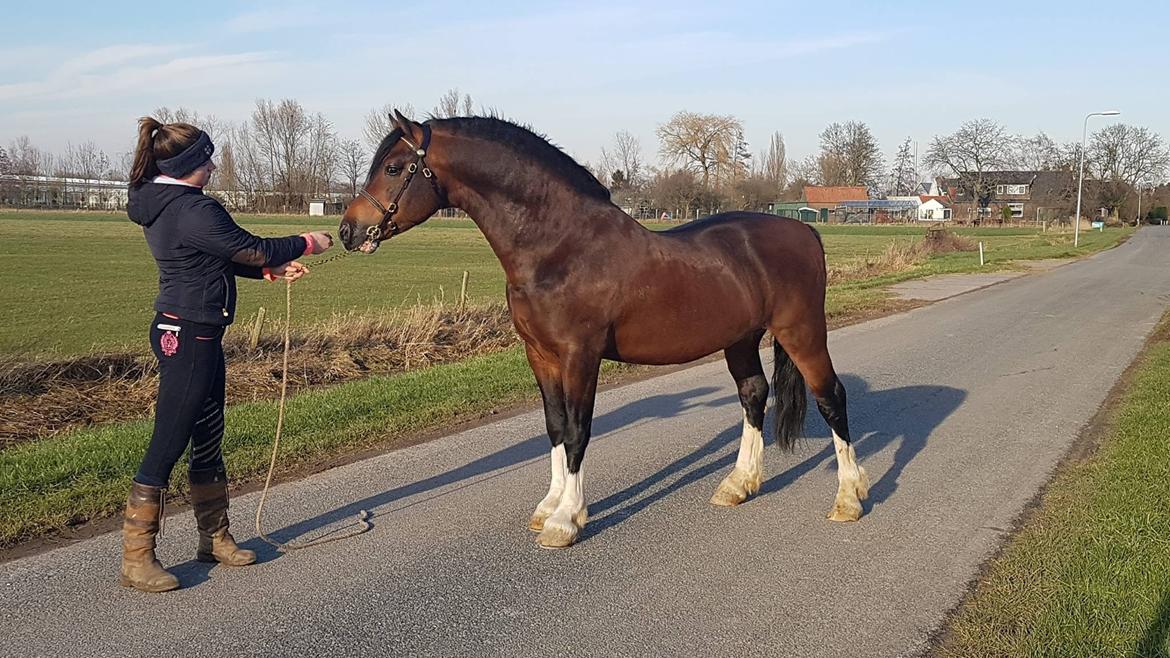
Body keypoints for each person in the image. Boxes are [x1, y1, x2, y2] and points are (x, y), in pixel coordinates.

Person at [121, 117, 333, 592]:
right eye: (207, 159)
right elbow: (247, 247)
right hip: (188, 331)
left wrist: (268, 273)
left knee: (209, 431)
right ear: (190, 165)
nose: (214, 166)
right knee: (169, 441)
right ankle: (137, 556)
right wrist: (306, 243)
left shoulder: (172, 205)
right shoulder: (191, 208)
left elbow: (214, 258)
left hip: (199, 330)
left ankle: (214, 537)